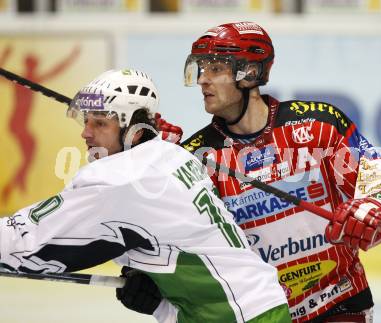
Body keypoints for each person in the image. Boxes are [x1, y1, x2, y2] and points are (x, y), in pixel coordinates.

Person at [117, 22, 381, 322]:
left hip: (339, 302)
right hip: (262, 314)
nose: (203, 80)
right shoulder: (195, 158)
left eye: (216, 69)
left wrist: (376, 210)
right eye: (200, 69)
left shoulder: (320, 125)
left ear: (251, 73)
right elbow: (166, 239)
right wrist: (151, 165)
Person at [0, 68, 291, 323]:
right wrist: (159, 300)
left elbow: (26, 242)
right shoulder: (172, 155)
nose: (86, 134)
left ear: (135, 131)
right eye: (86, 121)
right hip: (249, 307)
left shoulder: (124, 179)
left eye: (100, 123)